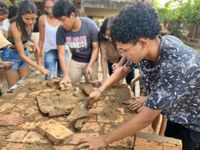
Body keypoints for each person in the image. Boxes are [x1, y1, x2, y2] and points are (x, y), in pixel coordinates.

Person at [75, 2, 200, 150]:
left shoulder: (177, 64)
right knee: (170, 142)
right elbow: (123, 70)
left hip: (194, 121)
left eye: (125, 50)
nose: (123, 55)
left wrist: (104, 139)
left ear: (142, 43)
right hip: (176, 112)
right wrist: (100, 90)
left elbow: (146, 119)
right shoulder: (149, 49)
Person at [0, 0, 50, 88]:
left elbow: (25, 36)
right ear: (20, 16)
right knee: (14, 88)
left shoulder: (30, 23)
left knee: (23, 84)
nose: (30, 22)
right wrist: (39, 67)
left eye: (33, 18)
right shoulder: (15, 27)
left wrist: (33, 42)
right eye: (27, 19)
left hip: (24, 54)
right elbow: (21, 54)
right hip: (11, 56)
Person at [53, 0, 99, 85]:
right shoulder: (60, 30)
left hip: (91, 61)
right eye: (59, 20)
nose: (61, 23)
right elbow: (61, 54)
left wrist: (90, 65)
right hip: (76, 60)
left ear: (72, 15)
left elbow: (96, 48)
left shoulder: (90, 25)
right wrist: (65, 75)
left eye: (63, 20)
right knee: (71, 84)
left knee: (93, 85)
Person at [98, 16, 134, 87]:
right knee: (114, 82)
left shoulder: (124, 37)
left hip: (126, 60)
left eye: (110, 35)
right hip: (112, 61)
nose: (109, 38)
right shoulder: (103, 40)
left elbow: (126, 53)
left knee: (130, 81)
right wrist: (104, 77)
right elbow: (104, 58)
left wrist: (120, 64)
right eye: (106, 34)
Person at [38, 0, 69, 80]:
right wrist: (39, 56)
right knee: (49, 77)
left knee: (62, 76)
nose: (49, 10)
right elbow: (41, 40)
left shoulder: (62, 18)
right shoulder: (42, 19)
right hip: (49, 51)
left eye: (51, 7)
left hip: (64, 50)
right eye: (47, 7)